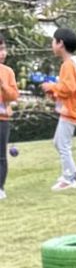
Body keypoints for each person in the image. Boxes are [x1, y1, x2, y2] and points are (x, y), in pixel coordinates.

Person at [42, 25, 76, 192]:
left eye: (53, 41)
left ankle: (68, 179)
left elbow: (69, 88)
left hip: (70, 111)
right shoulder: (73, 63)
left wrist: (52, 87)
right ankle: (74, 172)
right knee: (59, 143)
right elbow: (67, 89)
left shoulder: (68, 65)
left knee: (62, 145)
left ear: (60, 43)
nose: (52, 45)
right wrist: (54, 92)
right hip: (71, 110)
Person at [0, 35, 19, 202]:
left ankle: (0, 188)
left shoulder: (8, 72)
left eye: (3, 49)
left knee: (1, 156)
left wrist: (4, 86)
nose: (3, 53)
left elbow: (13, 95)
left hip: (2, 119)